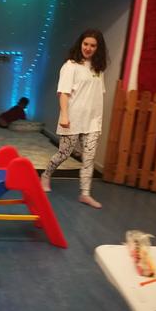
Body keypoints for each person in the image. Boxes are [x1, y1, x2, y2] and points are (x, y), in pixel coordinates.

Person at [40, 29, 108, 209]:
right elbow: (63, 93)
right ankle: (46, 175)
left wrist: (98, 119)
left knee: (89, 158)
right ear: (80, 44)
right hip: (72, 119)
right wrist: (64, 115)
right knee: (64, 153)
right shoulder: (71, 65)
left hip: (92, 122)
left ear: (98, 48)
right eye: (86, 44)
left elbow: (98, 94)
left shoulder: (98, 68)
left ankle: (85, 194)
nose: (88, 48)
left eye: (93, 45)